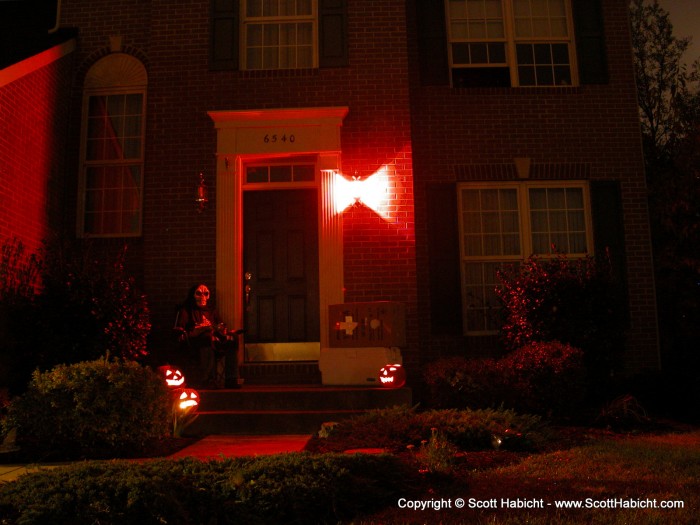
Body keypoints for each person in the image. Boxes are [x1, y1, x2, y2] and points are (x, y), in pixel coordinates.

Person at [176, 283, 241, 389]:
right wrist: (202, 329)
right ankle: (208, 379)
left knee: (233, 338)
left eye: (206, 294)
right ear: (193, 295)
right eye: (199, 294)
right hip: (197, 343)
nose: (203, 297)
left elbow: (220, 325)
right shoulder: (187, 310)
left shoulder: (211, 311)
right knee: (206, 337)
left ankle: (231, 378)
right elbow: (182, 331)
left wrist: (223, 330)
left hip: (215, 341)